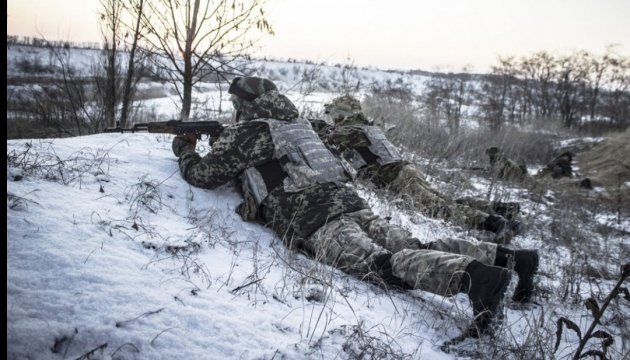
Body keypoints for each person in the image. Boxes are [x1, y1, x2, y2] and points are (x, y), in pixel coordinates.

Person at [171, 76, 539, 337]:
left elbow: (204, 175)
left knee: (380, 266)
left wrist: (185, 149)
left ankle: (478, 280)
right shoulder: (299, 124)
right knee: (414, 247)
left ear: (242, 105)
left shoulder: (250, 131)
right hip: (351, 203)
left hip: (314, 217)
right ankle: (511, 259)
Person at [310, 94, 521, 244]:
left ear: (342, 115)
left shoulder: (352, 129)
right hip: (404, 171)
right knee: (444, 201)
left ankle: (493, 223)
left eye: (334, 115)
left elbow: (326, 139)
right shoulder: (367, 126)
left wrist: (311, 126)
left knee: (440, 208)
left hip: (397, 178)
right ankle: (501, 209)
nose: (332, 119)